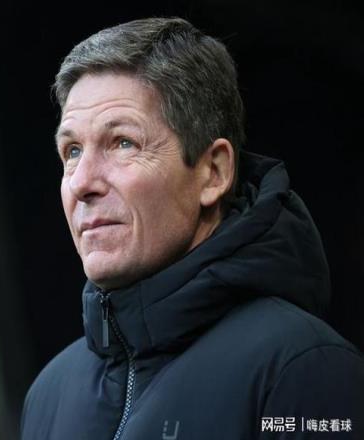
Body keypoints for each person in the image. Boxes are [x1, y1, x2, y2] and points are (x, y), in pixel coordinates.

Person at [21, 17, 364, 439]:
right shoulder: (48, 395)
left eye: (123, 142)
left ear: (213, 173)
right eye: (72, 151)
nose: (82, 183)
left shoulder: (302, 369)